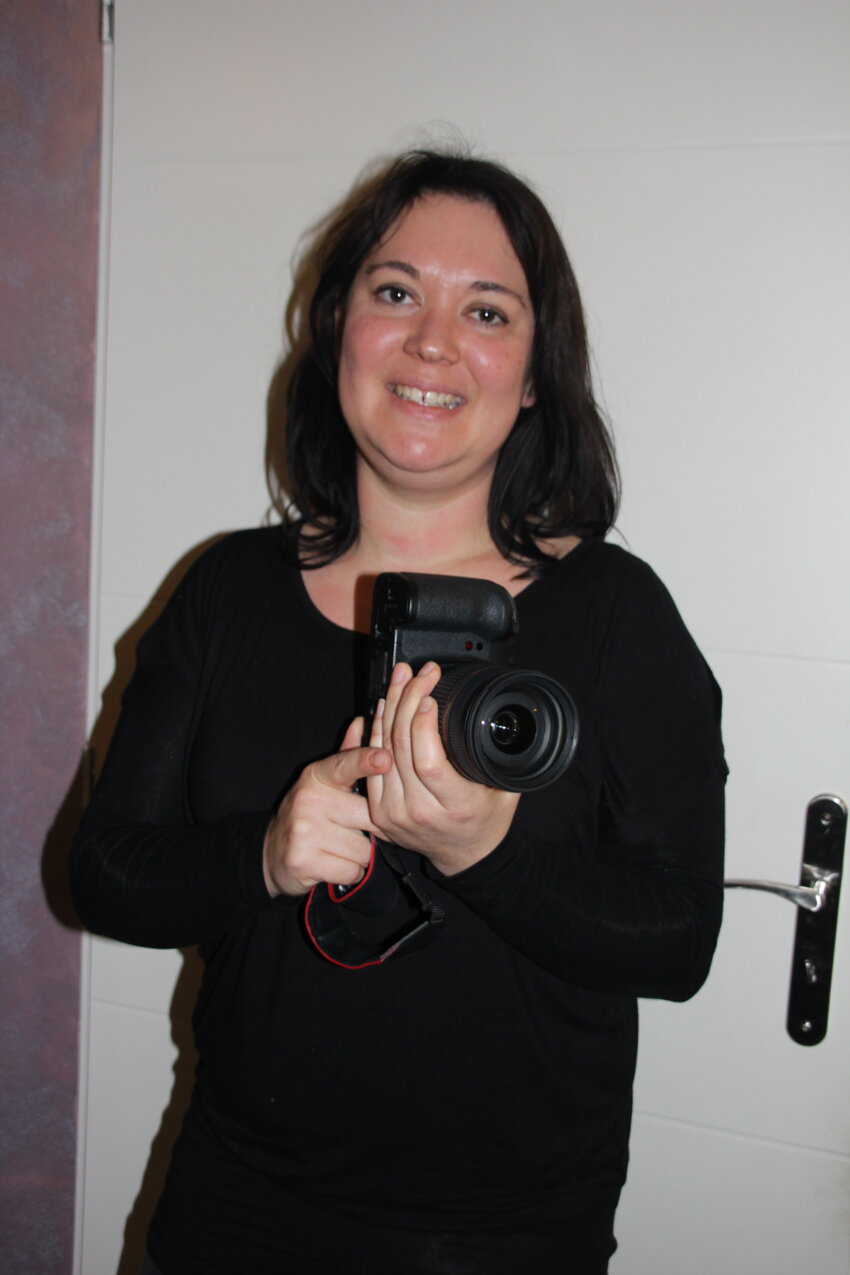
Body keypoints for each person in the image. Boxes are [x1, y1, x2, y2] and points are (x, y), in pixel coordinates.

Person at [71, 149, 726, 1275]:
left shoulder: (615, 612)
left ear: (535, 376)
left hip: (503, 1235)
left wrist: (485, 853)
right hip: (236, 1206)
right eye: (394, 291)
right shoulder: (227, 591)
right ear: (339, 329)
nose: (432, 341)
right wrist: (264, 854)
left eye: (487, 310)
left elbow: (678, 942)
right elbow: (103, 873)